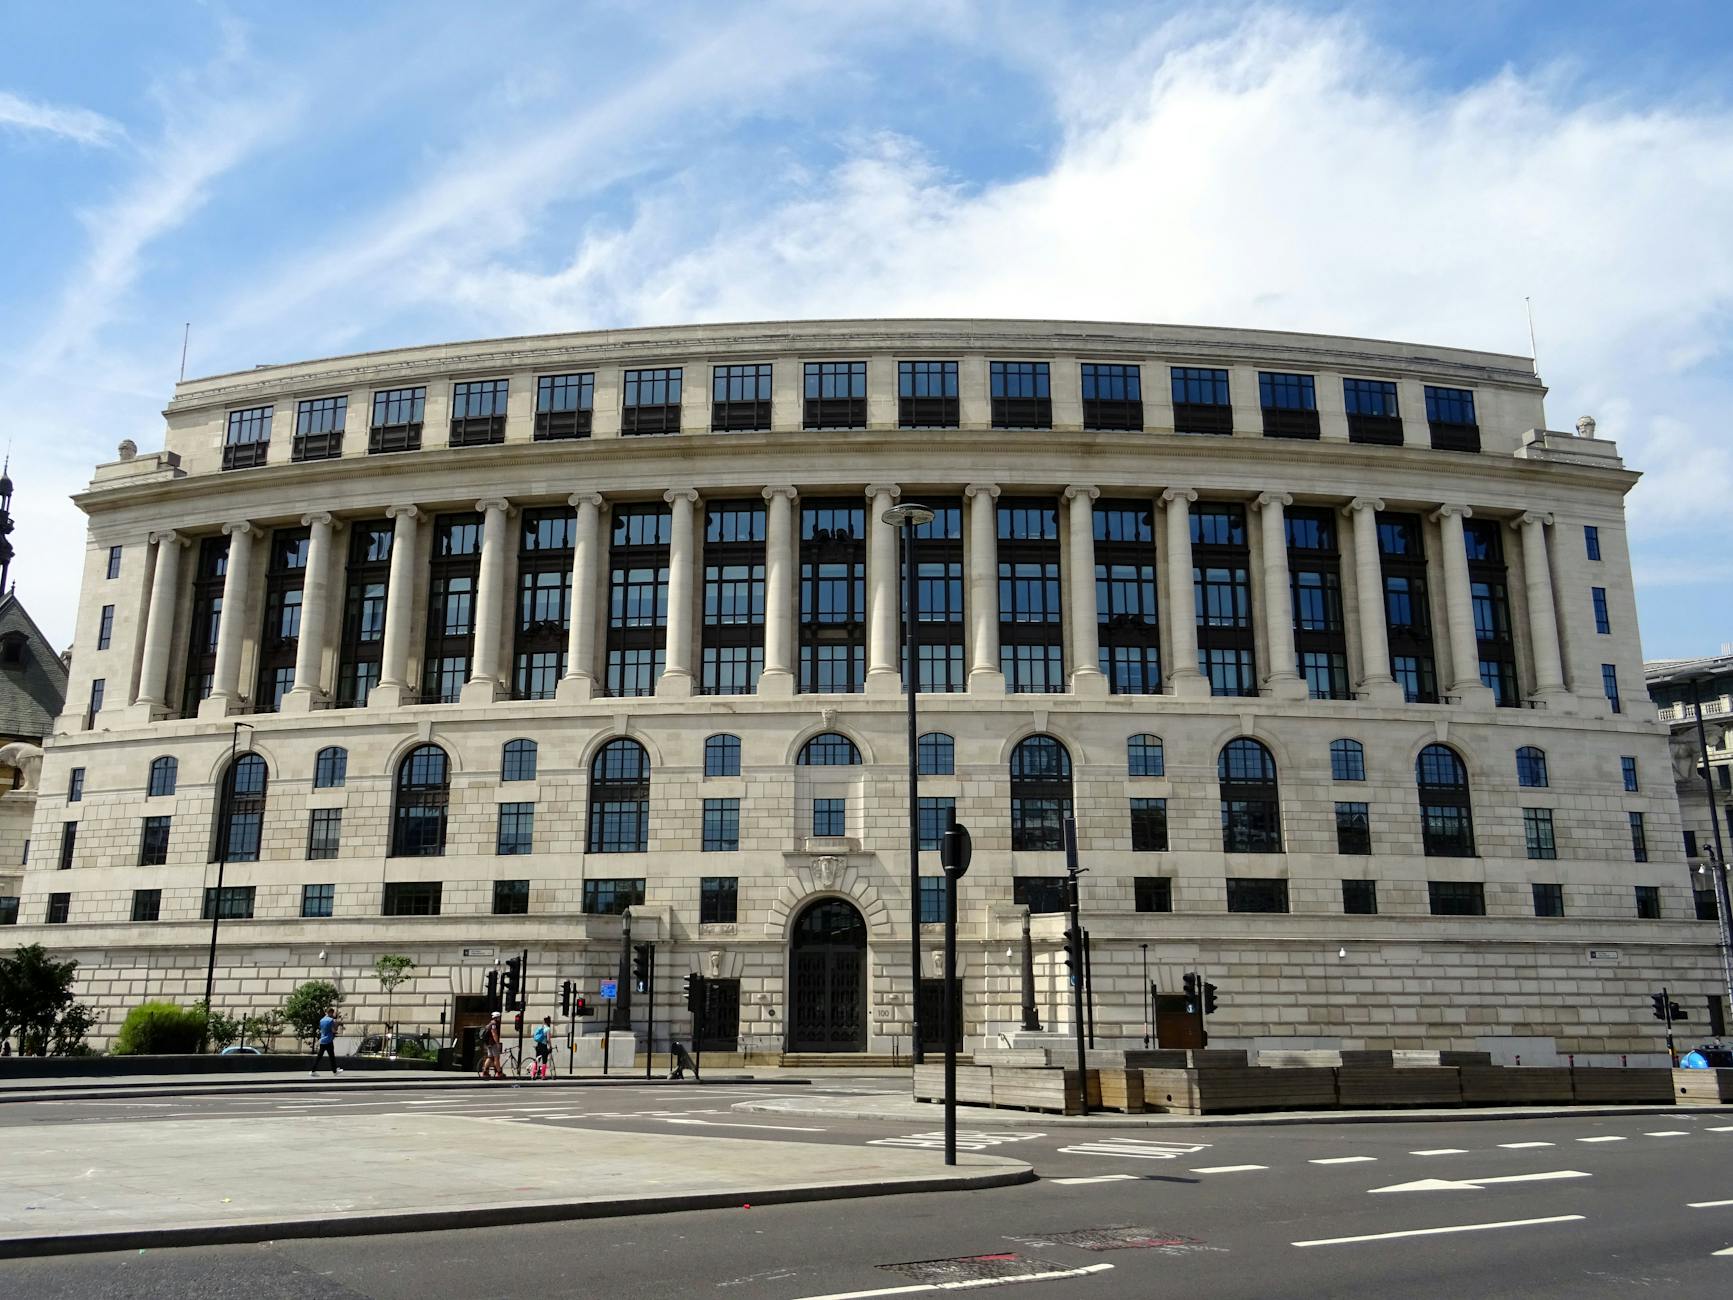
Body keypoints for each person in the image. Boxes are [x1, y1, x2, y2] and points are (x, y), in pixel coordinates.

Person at [312, 1011, 342, 1076]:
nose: (333, 1015)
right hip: (328, 1040)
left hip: (322, 1040)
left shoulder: (321, 1020)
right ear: (331, 1013)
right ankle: (335, 1071)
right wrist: (336, 1027)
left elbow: (322, 1029)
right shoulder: (331, 1020)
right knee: (332, 1057)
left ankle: (313, 1070)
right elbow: (333, 1030)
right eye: (333, 1013)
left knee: (319, 1057)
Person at [480, 1011, 504, 1079]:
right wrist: (497, 1043)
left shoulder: (490, 1023)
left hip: (488, 1044)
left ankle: (485, 1072)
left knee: (490, 1057)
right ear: (497, 1017)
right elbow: (494, 1033)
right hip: (492, 1043)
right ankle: (499, 1073)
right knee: (496, 1058)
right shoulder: (494, 1024)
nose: (500, 1018)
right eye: (499, 1017)